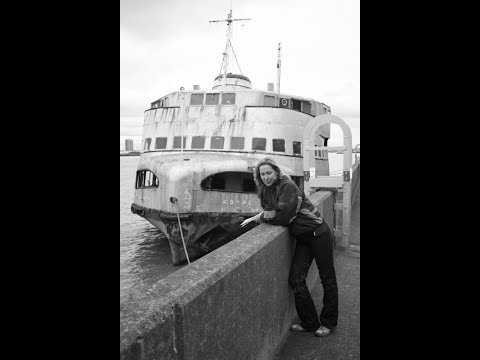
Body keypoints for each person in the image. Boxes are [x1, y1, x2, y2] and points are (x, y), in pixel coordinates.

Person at [241, 157, 338, 338]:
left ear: (277, 172)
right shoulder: (266, 190)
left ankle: (329, 322)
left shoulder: (288, 186)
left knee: (327, 279)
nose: (266, 177)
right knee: (296, 279)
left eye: (269, 173)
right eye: (262, 174)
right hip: (302, 238)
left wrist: (261, 217)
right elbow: (272, 213)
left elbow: (283, 218)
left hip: (319, 234)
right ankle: (310, 322)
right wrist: (260, 216)